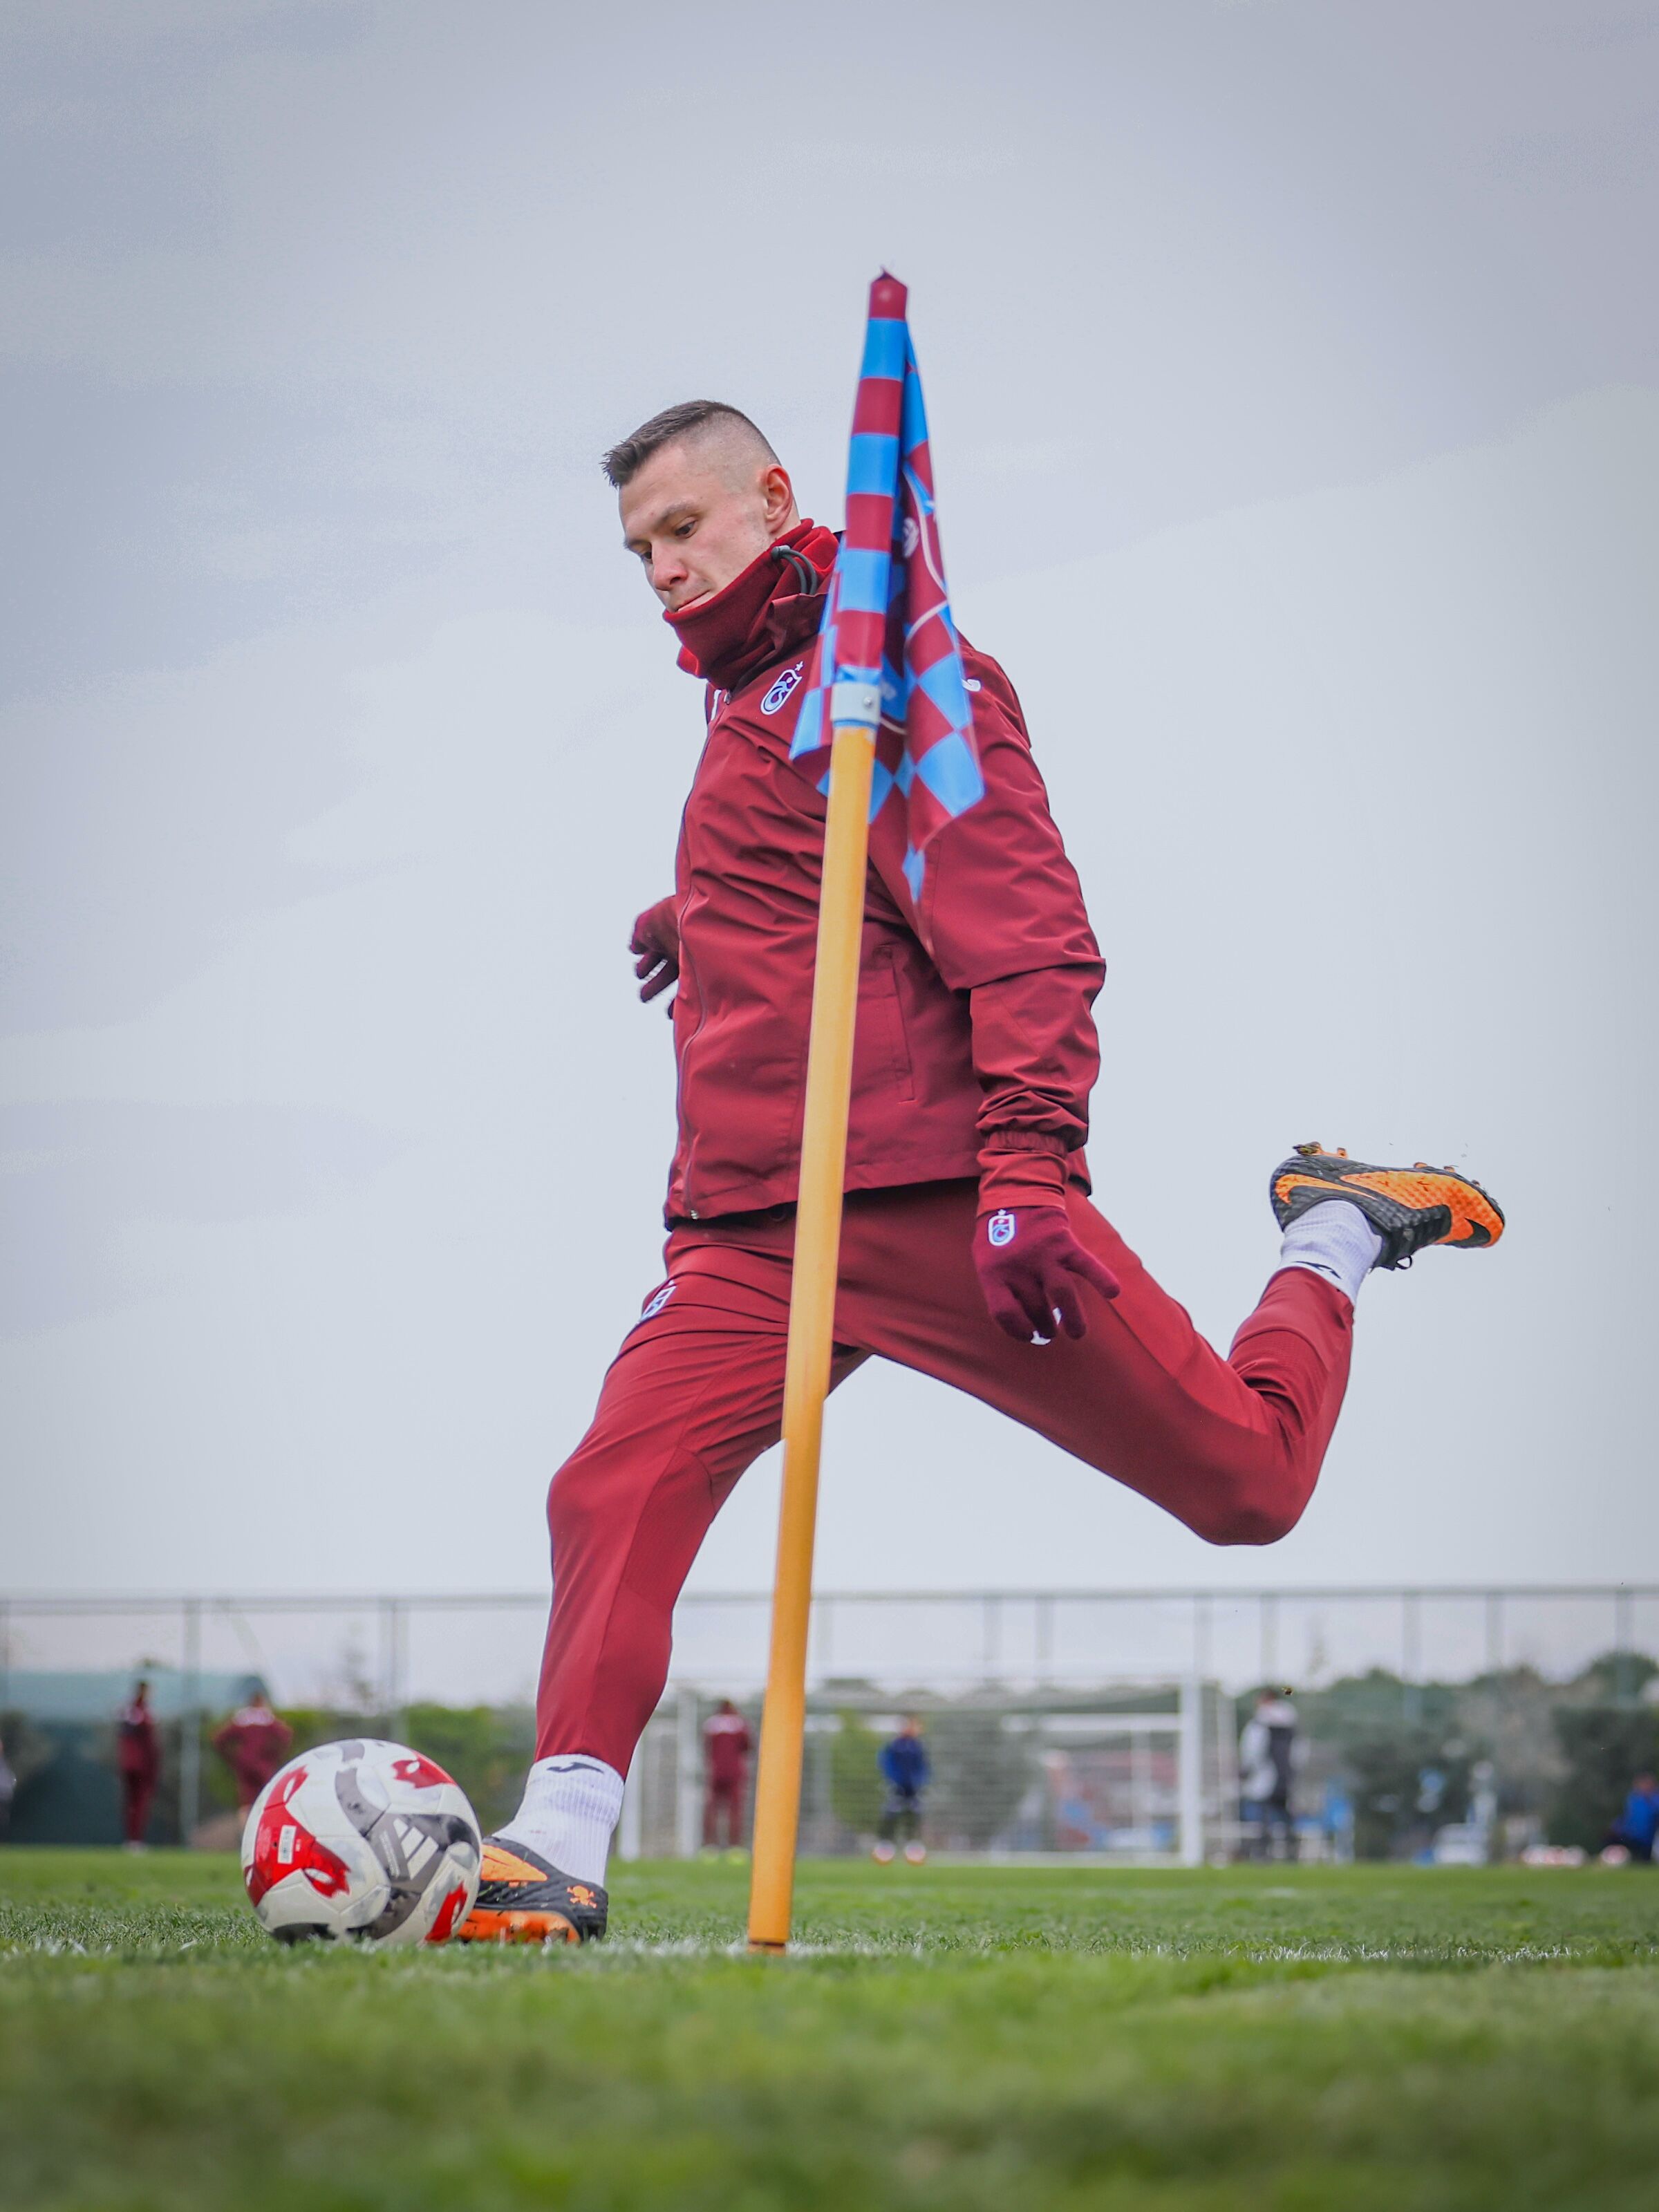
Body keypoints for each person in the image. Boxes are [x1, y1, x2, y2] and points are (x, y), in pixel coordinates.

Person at [458, 400, 1506, 1943]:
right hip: (751, 1231)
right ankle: (553, 1846)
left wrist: (1025, 1170)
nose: (663, 569)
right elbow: (840, 876)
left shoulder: (902, 674)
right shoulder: (743, 697)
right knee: (608, 1482)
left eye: (683, 529)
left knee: (1250, 1489)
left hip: (945, 1200)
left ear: (775, 498)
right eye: (639, 551)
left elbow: (1028, 939)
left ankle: (1336, 1232)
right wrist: (708, 916)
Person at [1239, 1688, 1300, 1862]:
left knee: (1263, 1815)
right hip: (1286, 1777)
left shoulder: (1260, 1723)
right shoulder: (1291, 1721)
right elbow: (1299, 1750)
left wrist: (1246, 1769)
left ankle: (1263, 1851)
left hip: (1264, 1775)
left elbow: (1253, 1749)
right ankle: (1291, 1850)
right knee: (1285, 1814)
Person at [213, 1688, 293, 1814]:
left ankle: (245, 1826)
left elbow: (219, 1739)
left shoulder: (241, 1718)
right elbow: (285, 1736)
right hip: (263, 1763)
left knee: (246, 1802)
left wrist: (231, 1758)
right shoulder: (267, 1718)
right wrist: (275, 1756)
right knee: (268, 1797)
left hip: (244, 1763)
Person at [873, 1718, 931, 1866]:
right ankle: (885, 1845)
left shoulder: (918, 1746)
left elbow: (924, 1766)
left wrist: (921, 1782)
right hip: (897, 1787)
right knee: (891, 1814)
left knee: (914, 1815)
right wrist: (892, 1780)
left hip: (914, 1789)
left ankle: (913, 1845)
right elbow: (886, 1762)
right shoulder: (894, 1745)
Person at [700, 1698, 752, 1851]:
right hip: (735, 1772)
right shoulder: (740, 1724)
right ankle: (734, 1846)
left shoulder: (711, 1725)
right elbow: (748, 1747)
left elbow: (706, 1747)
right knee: (735, 1810)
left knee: (712, 1809)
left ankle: (710, 1846)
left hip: (716, 1772)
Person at [115, 1680, 160, 1851]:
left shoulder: (127, 1711)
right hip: (141, 1765)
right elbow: (149, 1740)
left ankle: (131, 1839)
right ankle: (136, 1840)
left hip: (127, 1763)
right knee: (140, 1802)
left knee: (131, 1803)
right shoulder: (144, 1713)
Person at [1603, 1772, 1659, 1864]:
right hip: (1631, 1835)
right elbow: (1627, 1817)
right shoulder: (1633, 1799)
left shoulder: (1655, 1800)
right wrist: (1616, 1827)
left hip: (1648, 1839)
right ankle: (1613, 1859)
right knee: (1609, 1838)